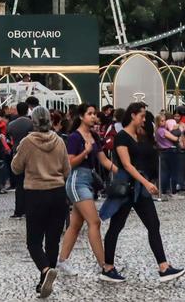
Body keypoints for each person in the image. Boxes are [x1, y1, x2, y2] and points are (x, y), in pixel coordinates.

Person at [100, 102, 185, 285]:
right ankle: (107, 267)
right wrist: (146, 182)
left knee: (153, 224)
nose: (144, 119)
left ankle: (164, 267)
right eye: (142, 115)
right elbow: (127, 164)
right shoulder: (122, 137)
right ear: (132, 115)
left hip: (139, 187)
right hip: (128, 187)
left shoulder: (140, 135)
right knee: (116, 226)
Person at [10, 106, 71, 299]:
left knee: (33, 241)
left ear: (33, 122)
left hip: (36, 194)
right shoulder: (59, 141)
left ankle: (45, 271)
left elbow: (16, 168)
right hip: (58, 194)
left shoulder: (28, 142)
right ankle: (43, 281)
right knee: (52, 241)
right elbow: (67, 169)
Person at [57, 103, 110, 276]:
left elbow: (104, 161)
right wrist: (85, 152)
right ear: (81, 116)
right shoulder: (74, 137)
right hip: (77, 181)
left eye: (94, 114)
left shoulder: (94, 135)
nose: (94, 117)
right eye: (90, 114)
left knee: (76, 225)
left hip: (88, 181)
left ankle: (62, 261)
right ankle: (105, 266)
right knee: (94, 222)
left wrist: (123, 171)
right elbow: (70, 162)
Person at [5, 101, 34, 218]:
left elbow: (8, 137)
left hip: (17, 154)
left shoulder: (12, 124)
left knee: (19, 184)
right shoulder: (32, 123)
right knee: (29, 183)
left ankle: (18, 210)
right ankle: (29, 209)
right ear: (27, 110)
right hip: (30, 155)